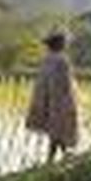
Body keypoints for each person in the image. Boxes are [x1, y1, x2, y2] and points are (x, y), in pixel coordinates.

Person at [26, 31, 80, 162]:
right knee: (59, 129)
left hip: (47, 100)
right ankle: (56, 156)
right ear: (59, 44)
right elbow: (66, 83)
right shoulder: (62, 60)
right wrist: (72, 100)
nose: (65, 44)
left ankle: (58, 155)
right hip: (60, 101)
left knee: (55, 130)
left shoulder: (46, 59)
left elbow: (42, 83)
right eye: (64, 42)